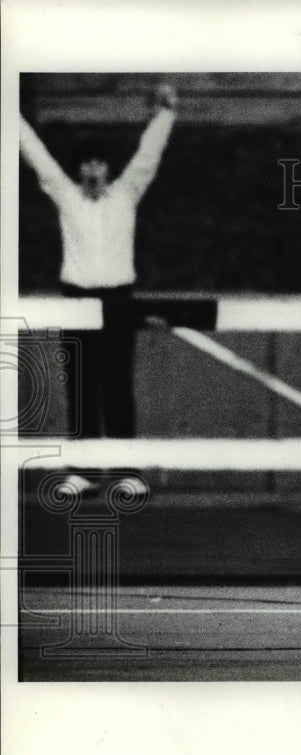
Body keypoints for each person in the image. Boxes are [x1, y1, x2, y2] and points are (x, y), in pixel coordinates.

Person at [20, 82, 178, 495]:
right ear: (79, 170)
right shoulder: (66, 196)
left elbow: (148, 157)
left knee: (118, 384)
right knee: (81, 383)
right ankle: (86, 472)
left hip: (119, 299)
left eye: (99, 163)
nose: (93, 170)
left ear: (108, 168)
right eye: (86, 164)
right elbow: (35, 153)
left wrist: (165, 114)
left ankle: (127, 472)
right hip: (76, 299)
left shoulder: (127, 194)